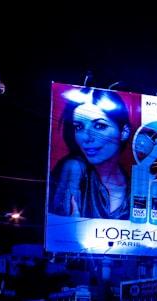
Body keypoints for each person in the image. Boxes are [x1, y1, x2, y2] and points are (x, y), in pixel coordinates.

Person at [49, 87, 134, 219]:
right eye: (79, 127)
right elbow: (59, 232)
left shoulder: (137, 187)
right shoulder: (73, 168)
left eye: (99, 126)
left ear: (124, 132)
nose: (86, 137)